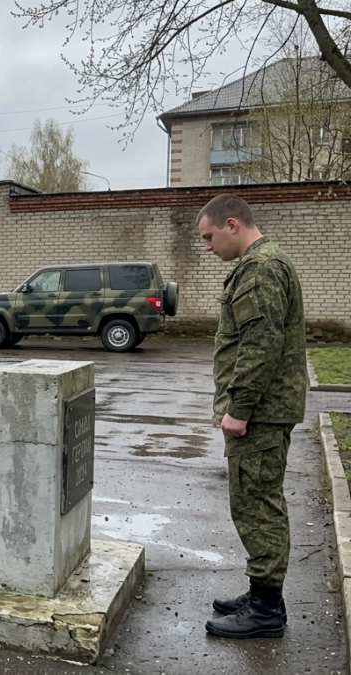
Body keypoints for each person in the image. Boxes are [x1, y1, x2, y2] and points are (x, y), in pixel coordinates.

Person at [196, 194, 307, 640]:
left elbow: (260, 346)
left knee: (256, 505)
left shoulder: (259, 269)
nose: (207, 246)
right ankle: (264, 593)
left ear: (232, 224)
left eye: (209, 237)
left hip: (259, 413)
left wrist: (238, 409)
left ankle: (265, 610)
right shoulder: (264, 262)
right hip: (267, 410)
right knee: (258, 500)